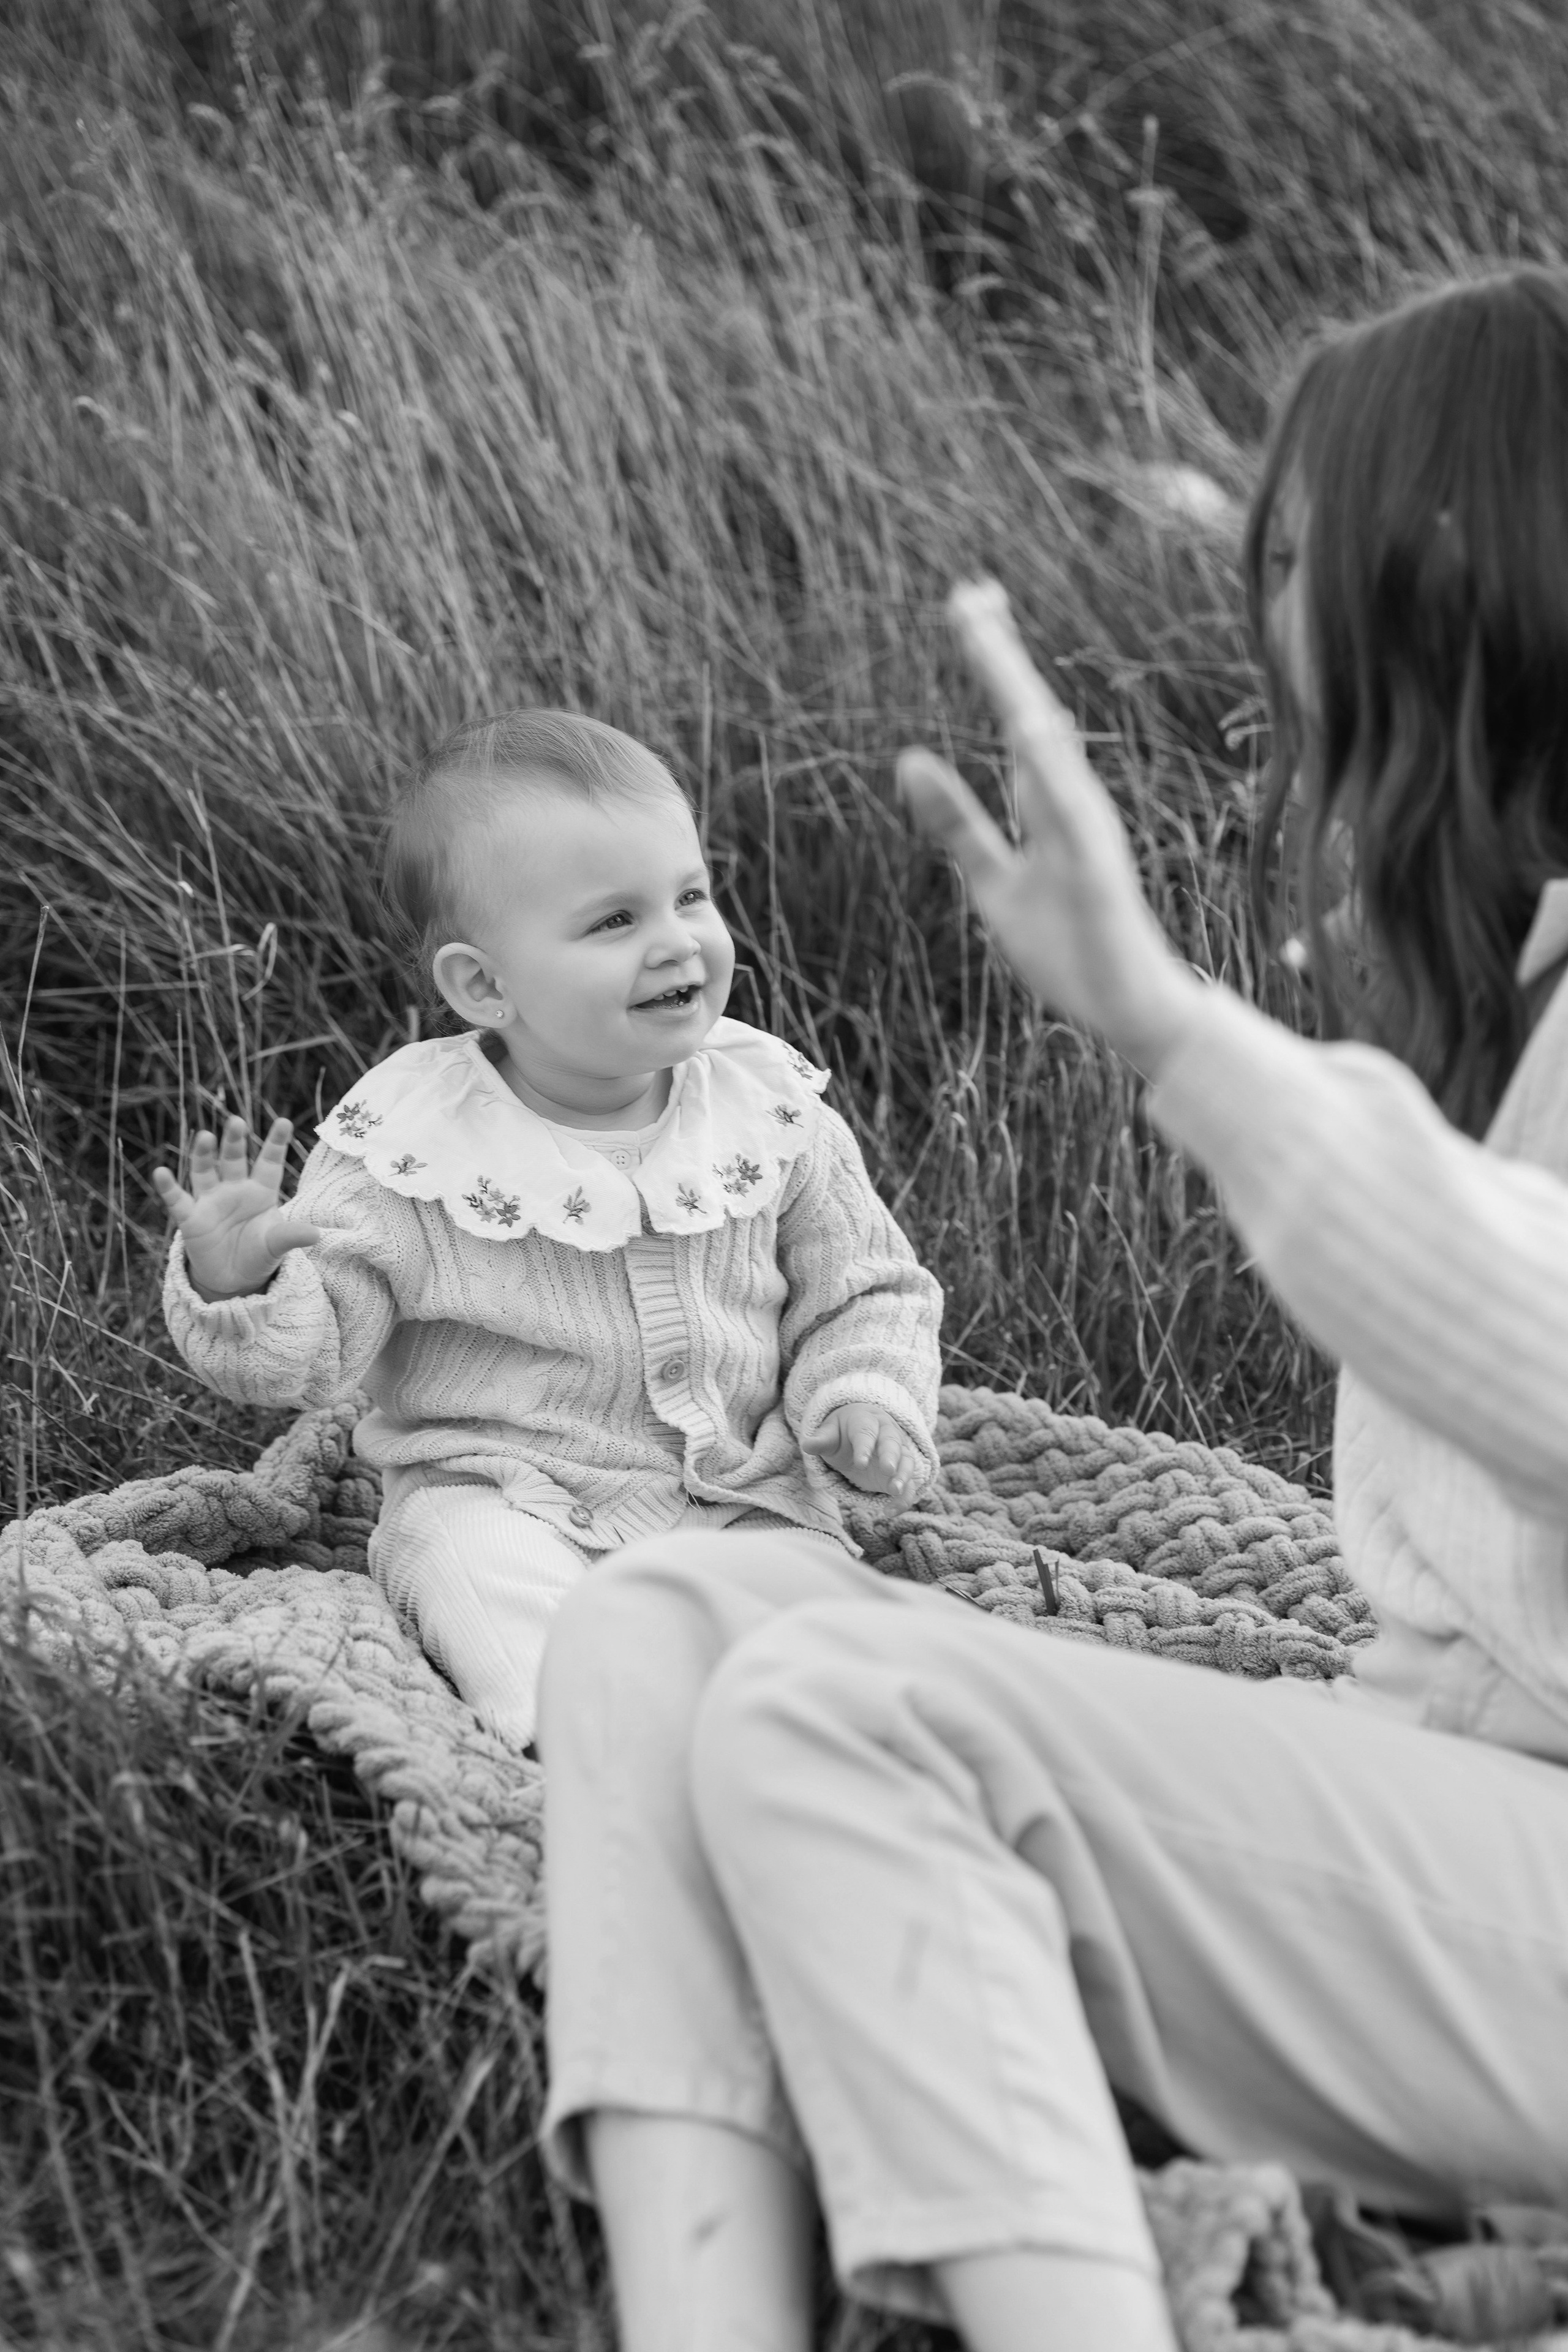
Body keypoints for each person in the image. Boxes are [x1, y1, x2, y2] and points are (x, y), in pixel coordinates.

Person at [532, 265, 1568, 2352]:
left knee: (855, 1716)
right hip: (1468, 1849)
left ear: (1447, 562)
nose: (1258, 613)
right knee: (661, 1623)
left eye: (1289, 554)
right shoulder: (1527, 973)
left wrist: (1171, 1029)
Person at [153, 710, 943, 1746]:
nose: (678, 940)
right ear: (484, 986)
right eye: (614, 921)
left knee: (834, 1628)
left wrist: (860, 1397)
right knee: (473, 1566)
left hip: (737, 1495)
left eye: (691, 896)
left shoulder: (770, 1111)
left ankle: (815, 1742)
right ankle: (572, 1739)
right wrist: (239, 1284)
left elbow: (868, 1287)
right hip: (504, 1487)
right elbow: (316, 1361)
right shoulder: (412, 1147)